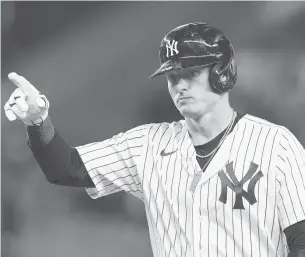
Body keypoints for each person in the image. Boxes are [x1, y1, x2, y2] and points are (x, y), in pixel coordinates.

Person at [4, 22, 305, 257]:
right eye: (173, 77)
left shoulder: (275, 144)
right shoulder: (147, 145)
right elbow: (65, 168)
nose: (180, 85)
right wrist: (38, 119)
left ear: (222, 73)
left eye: (191, 73)